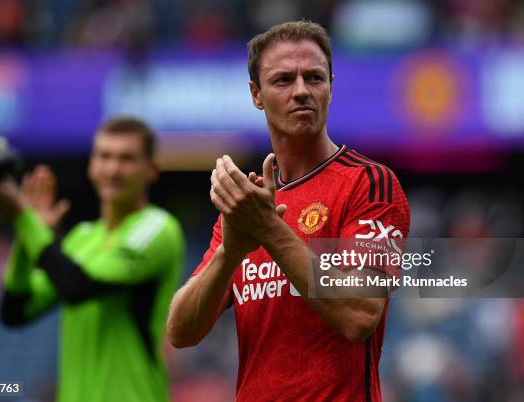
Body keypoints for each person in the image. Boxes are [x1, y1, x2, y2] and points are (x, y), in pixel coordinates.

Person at [167, 21, 410, 401]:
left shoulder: (369, 184)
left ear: (331, 86)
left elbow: (359, 314)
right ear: (256, 94)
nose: (301, 91)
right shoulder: (249, 206)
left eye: (314, 77)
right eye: (283, 80)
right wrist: (230, 251)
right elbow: (181, 332)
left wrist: (268, 230)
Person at [0, 117, 184, 402]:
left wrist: (22, 217)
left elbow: (78, 286)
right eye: (105, 156)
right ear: (91, 166)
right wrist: (25, 230)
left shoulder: (157, 227)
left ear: (151, 169)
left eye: (127, 158)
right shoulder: (82, 237)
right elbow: (15, 311)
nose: (113, 169)